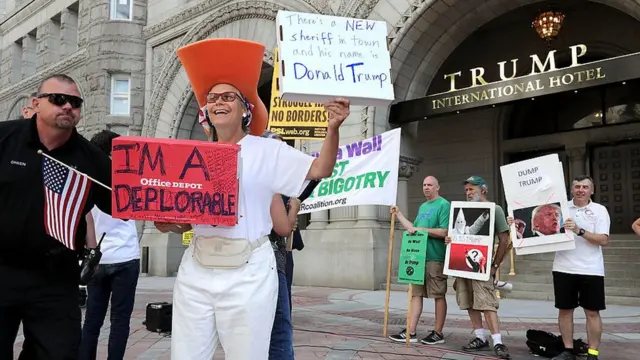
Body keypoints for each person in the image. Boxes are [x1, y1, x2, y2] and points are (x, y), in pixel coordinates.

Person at [154, 38, 350, 360]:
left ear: (245, 109)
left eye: (228, 96)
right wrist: (164, 222)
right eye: (212, 98)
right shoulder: (191, 156)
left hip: (249, 273)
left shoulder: (268, 150)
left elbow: (321, 168)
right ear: (206, 112)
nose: (218, 101)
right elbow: (183, 222)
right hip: (196, 271)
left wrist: (333, 127)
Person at [0, 74, 112, 360]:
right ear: (36, 103)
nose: (67, 107)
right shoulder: (5, 138)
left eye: (75, 102)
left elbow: (121, 203)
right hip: (2, 269)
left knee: (58, 354)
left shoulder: (92, 159)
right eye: (58, 99)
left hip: (55, 278)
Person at [509, 175, 609, 360]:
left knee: (592, 313)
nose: (580, 190)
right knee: (565, 311)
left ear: (592, 190)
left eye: (585, 187)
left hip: (591, 269)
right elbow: (539, 234)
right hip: (563, 268)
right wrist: (516, 226)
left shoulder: (599, 210)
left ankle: (593, 353)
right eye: (577, 186)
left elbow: (603, 240)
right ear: (571, 190)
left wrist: (580, 231)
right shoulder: (562, 207)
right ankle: (568, 350)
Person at [79, 130, 141, 360]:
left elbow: (85, 217)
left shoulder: (86, 180)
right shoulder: (129, 178)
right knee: (120, 321)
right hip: (125, 257)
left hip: (98, 258)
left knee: (92, 321)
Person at [444, 176, 511, 359]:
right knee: (469, 302)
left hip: (482, 264)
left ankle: (498, 342)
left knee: (487, 303)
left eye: (472, 189)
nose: (468, 193)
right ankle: (480, 338)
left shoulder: (495, 209)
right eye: (466, 190)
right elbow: (459, 234)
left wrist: (495, 266)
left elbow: (504, 239)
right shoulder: (461, 210)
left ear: (483, 189)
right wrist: (450, 240)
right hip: (462, 265)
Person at [389, 176, 450, 345]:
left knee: (438, 295)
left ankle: (438, 333)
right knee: (415, 294)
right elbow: (412, 228)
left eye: (430, 185)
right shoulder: (423, 206)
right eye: (424, 185)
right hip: (418, 257)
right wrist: (398, 214)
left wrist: (421, 229)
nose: (426, 188)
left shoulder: (444, 205)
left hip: (435, 257)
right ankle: (411, 330)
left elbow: (445, 231)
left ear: (437, 187)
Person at [262, 129, 301, 360]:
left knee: (281, 317)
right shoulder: (267, 183)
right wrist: (293, 210)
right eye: (276, 147)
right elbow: (283, 227)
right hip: (267, 259)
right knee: (279, 322)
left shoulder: (284, 183)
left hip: (280, 257)